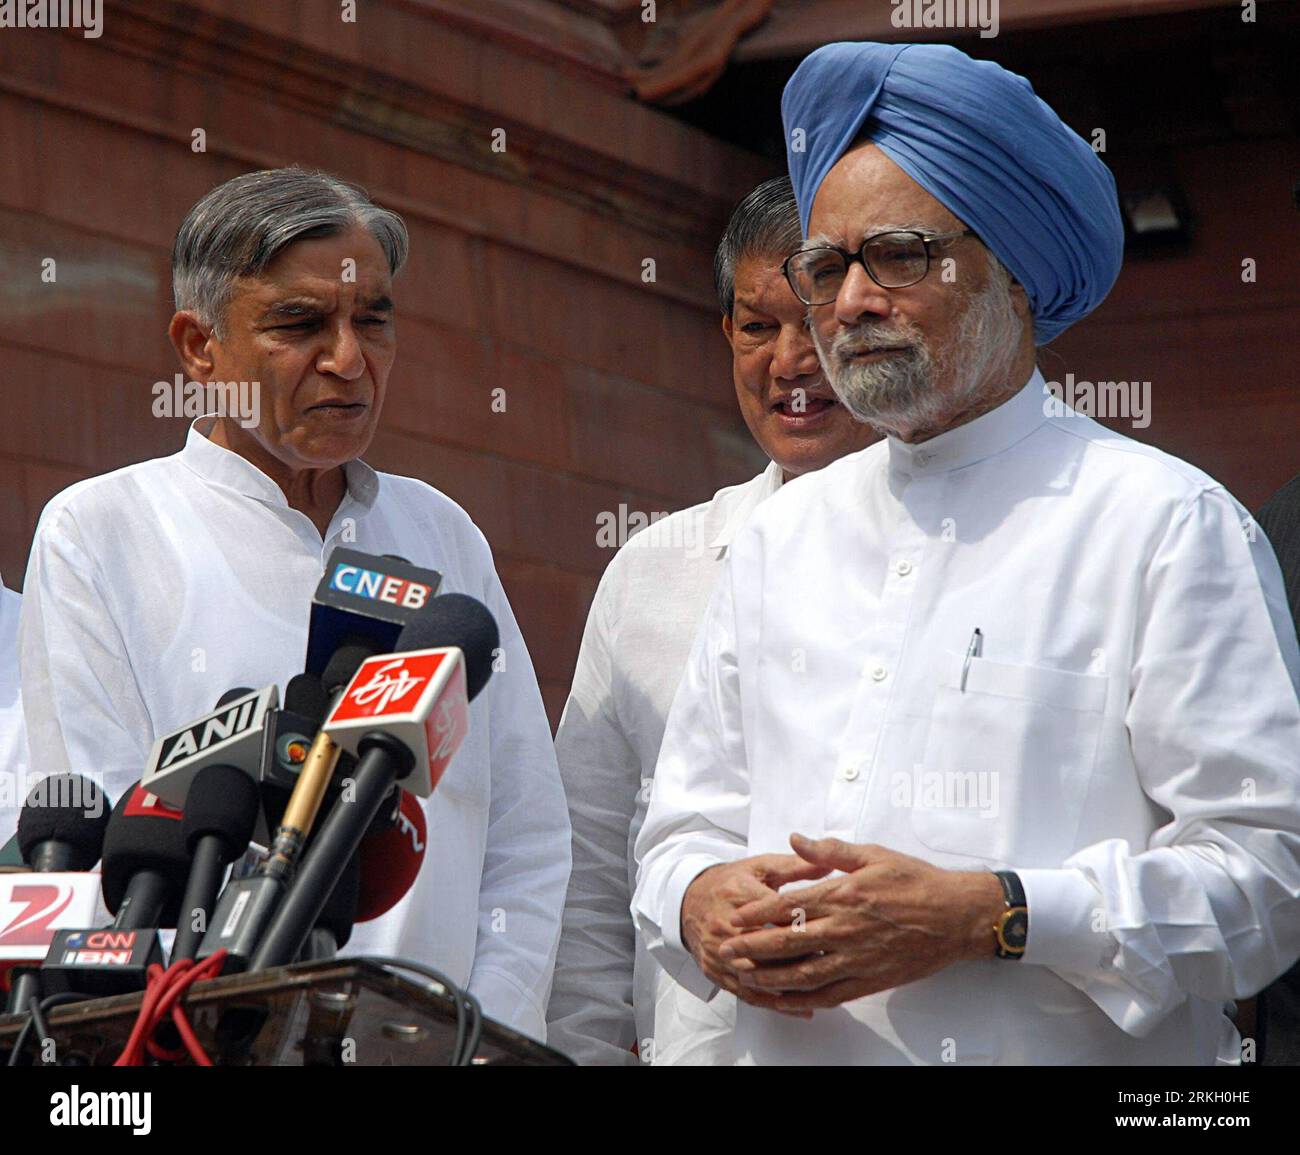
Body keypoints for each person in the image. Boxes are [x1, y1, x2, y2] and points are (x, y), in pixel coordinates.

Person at [632, 42, 1300, 1065]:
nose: (849, 302)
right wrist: (696, 900)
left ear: (1016, 273)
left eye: (898, 255)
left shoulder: (1160, 523)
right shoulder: (781, 537)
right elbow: (680, 829)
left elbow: (1268, 875)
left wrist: (995, 915)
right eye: (826, 267)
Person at [13, 168, 570, 1042]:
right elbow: (112, 857)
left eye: (372, 319)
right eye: (301, 324)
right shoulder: (103, 530)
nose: (349, 360)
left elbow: (527, 842)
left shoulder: (444, 530)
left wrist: (472, 1036)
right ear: (199, 347)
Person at [546, 176, 877, 1065]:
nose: (790, 361)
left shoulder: (981, 549)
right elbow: (587, 878)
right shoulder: (650, 575)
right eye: (757, 326)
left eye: (813, 325)